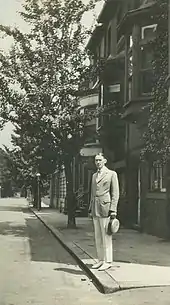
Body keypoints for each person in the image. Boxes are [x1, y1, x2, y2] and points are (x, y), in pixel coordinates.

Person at [89, 153, 119, 271]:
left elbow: (115, 193)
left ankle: (108, 261)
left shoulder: (111, 174)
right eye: (96, 160)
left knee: (106, 235)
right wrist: (90, 208)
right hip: (95, 208)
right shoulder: (94, 176)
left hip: (105, 208)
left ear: (105, 161)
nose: (97, 162)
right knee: (97, 236)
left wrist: (113, 210)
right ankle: (100, 259)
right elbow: (92, 193)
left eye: (100, 160)